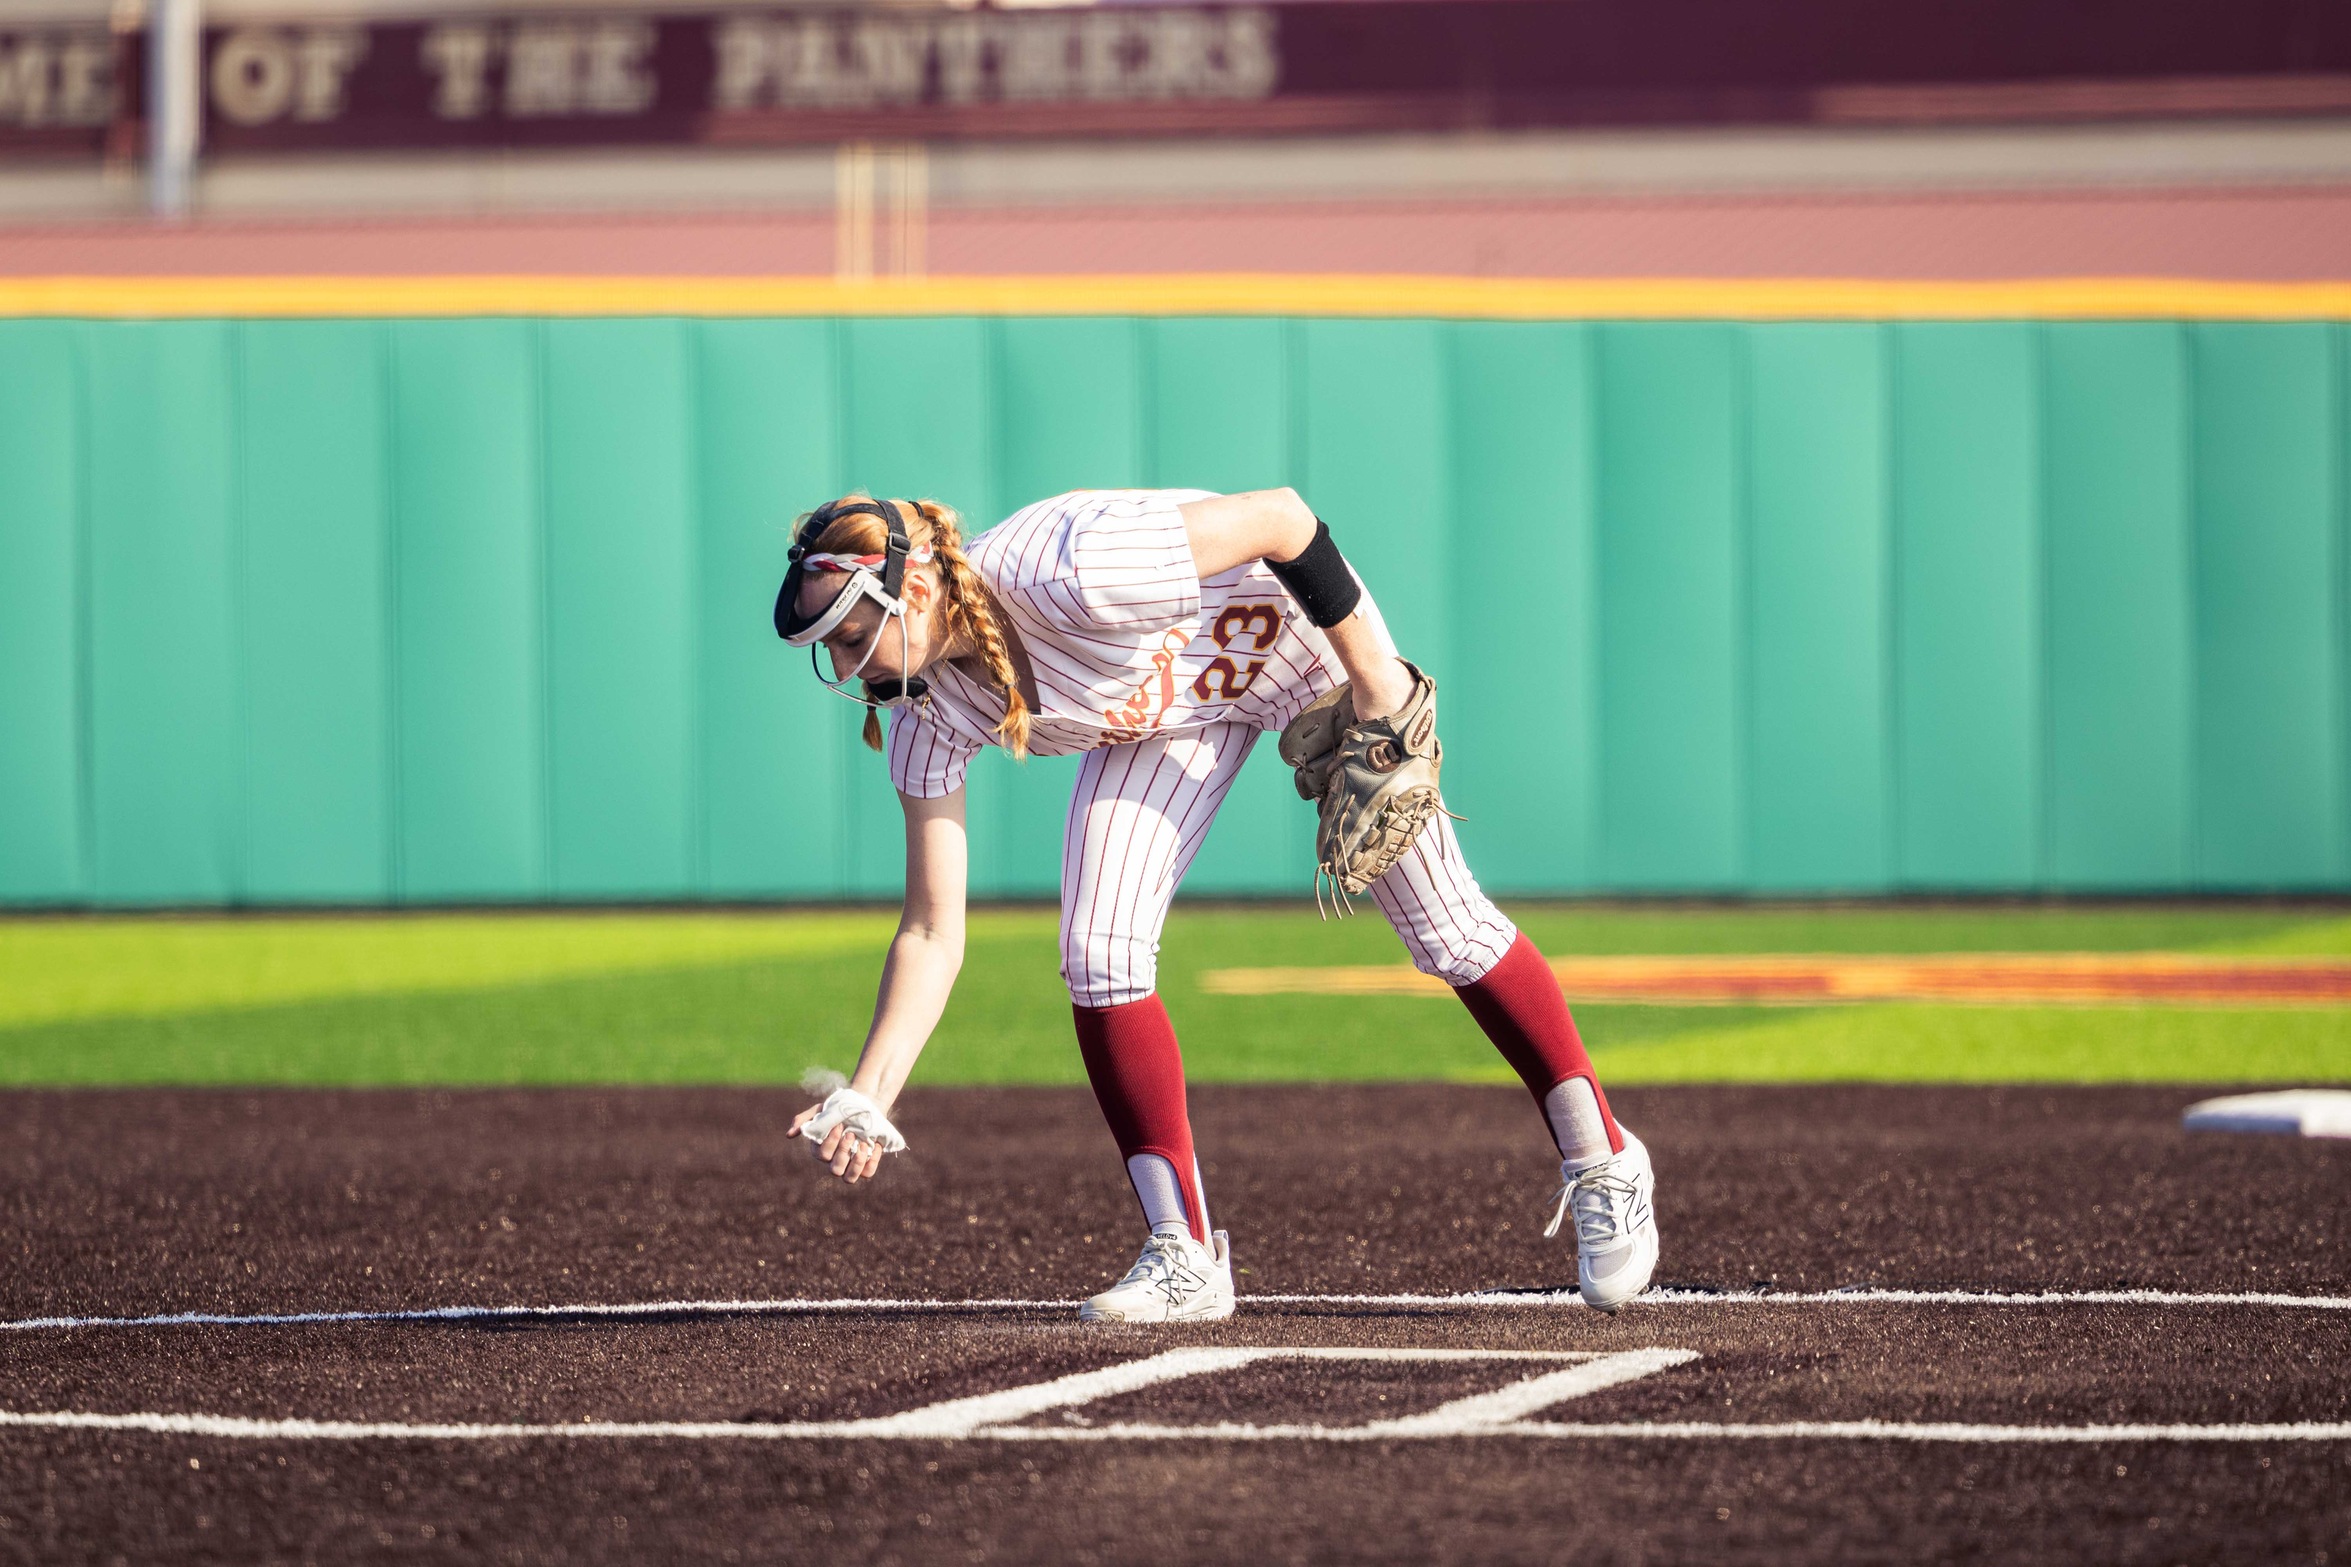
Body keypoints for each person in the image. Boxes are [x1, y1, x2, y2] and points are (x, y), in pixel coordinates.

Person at [777, 488, 1659, 1321]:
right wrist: (869, 1091)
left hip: (1295, 649)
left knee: (1448, 932)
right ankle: (1184, 1252)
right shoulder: (927, 711)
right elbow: (932, 929)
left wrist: (1378, 692)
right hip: (1170, 713)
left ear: (918, 582)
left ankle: (1604, 1156)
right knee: (1098, 952)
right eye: (834, 648)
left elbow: (1284, 519)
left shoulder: (1070, 569)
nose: (850, 665)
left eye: (854, 634)